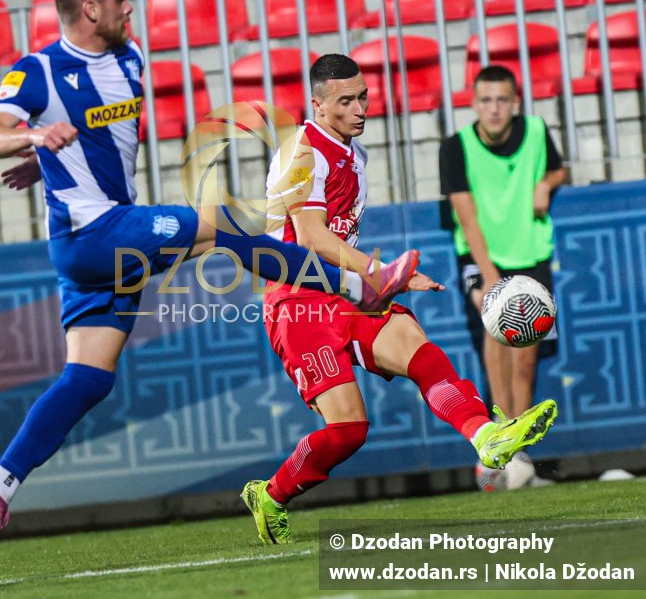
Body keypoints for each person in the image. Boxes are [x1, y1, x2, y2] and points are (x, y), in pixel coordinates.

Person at [0, 0, 422, 570]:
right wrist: (32, 141)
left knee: (90, 378)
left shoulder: (131, 62)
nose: (130, 8)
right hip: (92, 232)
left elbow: (96, 136)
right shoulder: (39, 70)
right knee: (222, 225)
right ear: (90, 8)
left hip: (107, 243)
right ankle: (353, 283)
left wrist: (49, 159)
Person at [239, 55, 559, 544]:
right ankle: (271, 494)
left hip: (345, 292)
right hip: (299, 299)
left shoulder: (355, 153)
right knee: (348, 431)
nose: (360, 108)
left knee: (418, 349)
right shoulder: (302, 150)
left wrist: (387, 281)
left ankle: (486, 436)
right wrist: (378, 271)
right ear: (318, 105)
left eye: (363, 96)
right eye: (345, 101)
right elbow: (311, 238)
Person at [438, 64, 567, 489]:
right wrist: (494, 282)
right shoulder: (455, 147)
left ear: (515, 102)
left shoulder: (535, 130)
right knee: (496, 335)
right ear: (474, 104)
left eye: (502, 100)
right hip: (481, 257)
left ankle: (518, 454)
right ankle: (498, 449)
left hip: (530, 253)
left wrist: (546, 183)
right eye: (485, 100)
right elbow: (467, 218)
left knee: (527, 357)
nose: (494, 109)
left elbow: (558, 168)